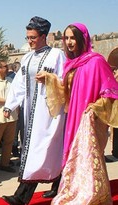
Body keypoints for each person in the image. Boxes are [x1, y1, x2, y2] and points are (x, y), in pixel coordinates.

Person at [49, 23, 118, 205]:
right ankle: (74, 191)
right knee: (74, 157)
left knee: (87, 158)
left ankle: (94, 195)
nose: (69, 42)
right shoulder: (70, 64)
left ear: (83, 39)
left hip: (90, 120)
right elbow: (66, 92)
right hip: (73, 117)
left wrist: (95, 107)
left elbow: (111, 92)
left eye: (73, 38)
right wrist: (49, 79)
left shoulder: (96, 61)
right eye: (66, 38)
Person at [1, 16, 66, 205]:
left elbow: (66, 82)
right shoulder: (27, 57)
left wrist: (50, 78)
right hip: (31, 113)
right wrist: (10, 105)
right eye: (28, 37)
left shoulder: (57, 55)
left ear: (44, 36)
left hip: (50, 113)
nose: (29, 41)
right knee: (37, 150)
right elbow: (19, 84)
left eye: (33, 38)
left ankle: (22, 197)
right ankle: (57, 186)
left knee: (43, 151)